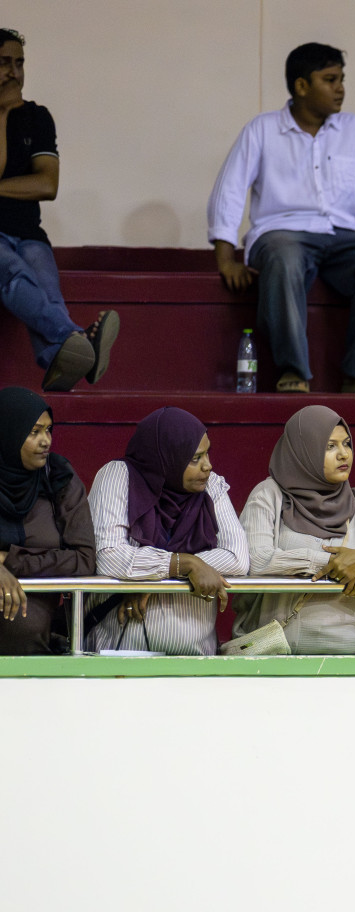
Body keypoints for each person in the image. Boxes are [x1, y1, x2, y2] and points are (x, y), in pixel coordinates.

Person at [208, 42, 355, 395]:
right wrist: (226, 259)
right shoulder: (262, 129)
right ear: (301, 86)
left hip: (342, 236)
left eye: (342, 79)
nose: (340, 88)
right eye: (330, 80)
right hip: (280, 232)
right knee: (284, 257)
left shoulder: (353, 129)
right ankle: (293, 370)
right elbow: (230, 189)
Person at [234, 405, 355, 654]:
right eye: (330, 446)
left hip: (350, 658)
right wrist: (335, 564)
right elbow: (255, 560)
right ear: (303, 451)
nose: (344, 454)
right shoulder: (269, 495)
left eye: (347, 444)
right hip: (273, 658)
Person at [0, 29, 118, 393]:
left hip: (28, 232)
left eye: (20, 63)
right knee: (15, 276)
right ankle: (79, 341)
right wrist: (2, 114)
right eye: (4, 62)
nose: (14, 72)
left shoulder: (38, 117)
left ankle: (61, 356)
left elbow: (47, 184)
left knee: (48, 294)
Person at [86, 407, 250, 655]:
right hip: (120, 651)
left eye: (207, 454)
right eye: (195, 458)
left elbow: (237, 558)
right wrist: (184, 564)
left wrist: (157, 578)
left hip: (196, 655)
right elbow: (108, 556)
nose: (208, 465)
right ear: (166, 457)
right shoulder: (119, 476)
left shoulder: (212, 486)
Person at [0, 386, 95, 653]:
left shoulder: (59, 477)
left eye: (48, 430)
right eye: (34, 432)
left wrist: (11, 561)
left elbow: (84, 559)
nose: (46, 441)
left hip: (32, 642)